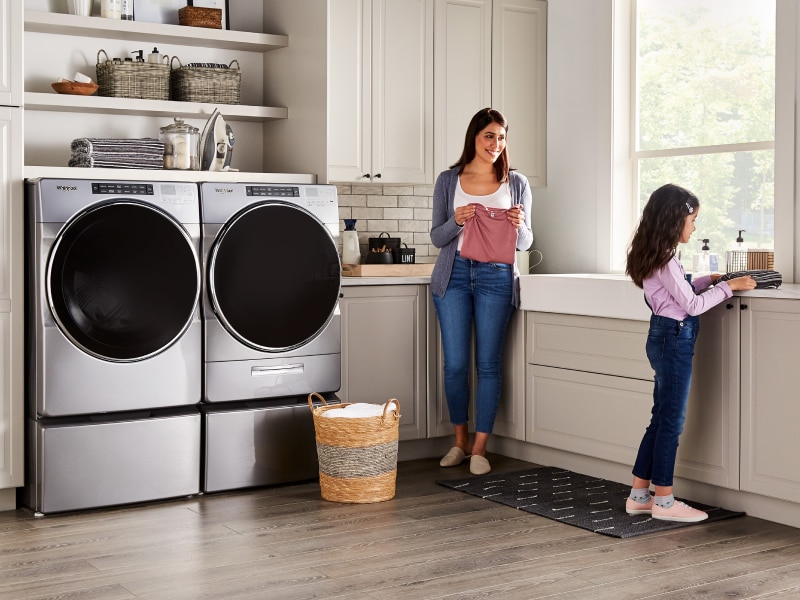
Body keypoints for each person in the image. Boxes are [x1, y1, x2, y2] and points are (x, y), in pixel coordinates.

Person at [625, 183, 756, 522]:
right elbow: (693, 306)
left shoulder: (656, 255)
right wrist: (729, 286)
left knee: (660, 418)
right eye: (692, 219)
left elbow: (677, 293)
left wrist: (705, 279)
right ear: (674, 219)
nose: (694, 227)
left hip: (662, 334)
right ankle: (664, 501)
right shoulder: (666, 259)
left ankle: (640, 494)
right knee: (672, 422)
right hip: (675, 339)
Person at [430, 107, 534, 476]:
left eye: (501, 137)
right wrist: (456, 221)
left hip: (497, 278)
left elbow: (524, 243)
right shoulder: (448, 180)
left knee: (488, 365)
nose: (496, 144)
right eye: (489, 136)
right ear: (474, 137)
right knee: (456, 364)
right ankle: (458, 441)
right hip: (453, 276)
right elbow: (436, 237)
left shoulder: (516, 183)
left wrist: (519, 225)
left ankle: (479, 448)